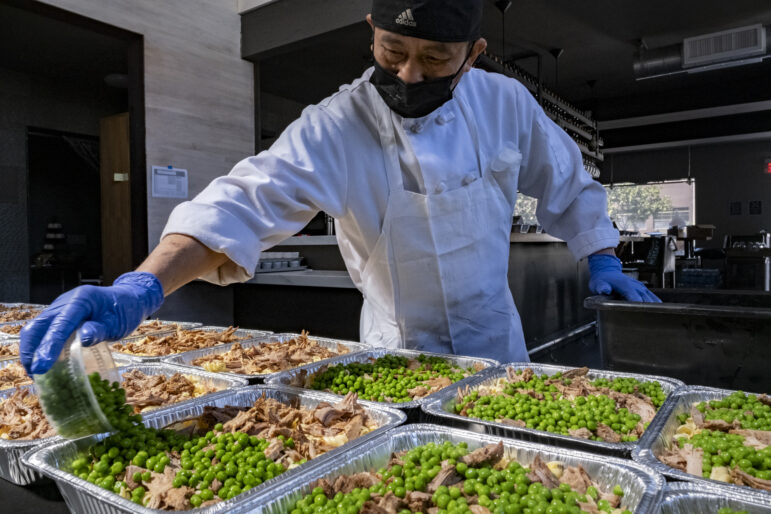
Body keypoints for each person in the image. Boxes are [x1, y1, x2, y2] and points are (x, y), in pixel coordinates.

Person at [20, 0, 660, 375]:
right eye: (391, 51)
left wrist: (599, 253)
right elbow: (243, 201)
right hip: (394, 349)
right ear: (370, 32)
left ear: (475, 51)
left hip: (496, 340)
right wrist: (146, 282)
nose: (410, 74)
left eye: (435, 59)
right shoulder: (335, 123)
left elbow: (568, 183)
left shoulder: (507, 104)